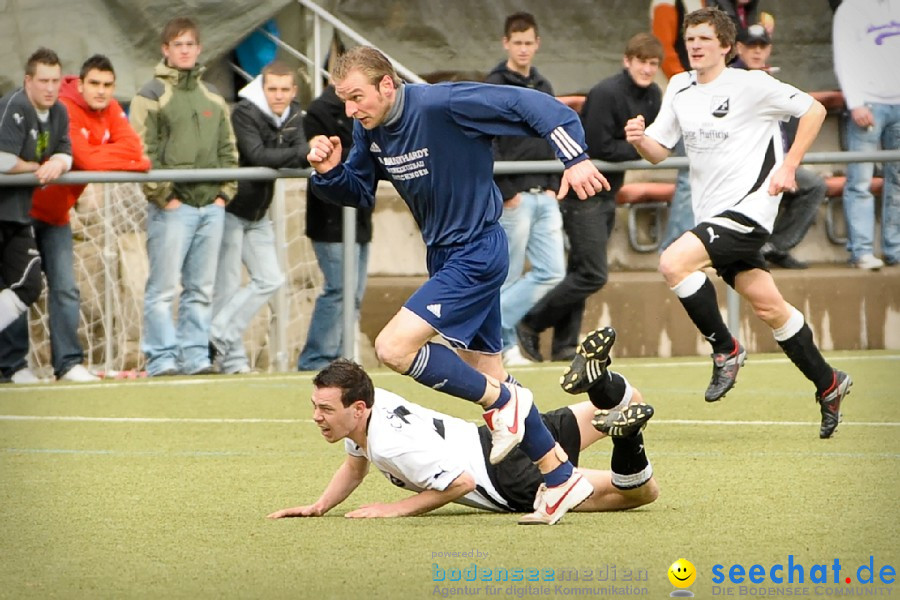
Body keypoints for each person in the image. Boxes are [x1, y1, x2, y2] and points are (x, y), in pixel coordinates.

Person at [306, 46, 611, 523]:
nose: (350, 110)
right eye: (343, 100)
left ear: (387, 85)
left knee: (393, 349)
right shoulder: (369, 127)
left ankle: (507, 403)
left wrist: (574, 159)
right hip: (447, 256)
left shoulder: (442, 103)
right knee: (488, 375)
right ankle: (559, 479)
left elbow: (539, 107)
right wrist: (327, 173)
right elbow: (359, 191)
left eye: (356, 97)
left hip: (477, 252)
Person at [625, 7, 851, 439]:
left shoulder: (752, 83)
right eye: (690, 39)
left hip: (749, 211)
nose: (694, 46)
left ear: (726, 47)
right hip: (711, 216)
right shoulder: (678, 86)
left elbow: (815, 111)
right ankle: (829, 382)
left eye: (705, 39)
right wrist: (639, 140)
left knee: (673, 263)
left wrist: (789, 166)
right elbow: (659, 151)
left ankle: (725, 349)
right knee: (770, 307)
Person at [266, 332, 658, 522]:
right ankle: (599, 382)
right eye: (316, 407)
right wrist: (319, 506)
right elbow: (354, 465)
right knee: (631, 397)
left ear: (357, 408)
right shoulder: (372, 404)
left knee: (640, 495)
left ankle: (630, 437)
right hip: (509, 428)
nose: (316, 416)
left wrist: (396, 509)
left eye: (325, 409)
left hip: (508, 477)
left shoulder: (389, 445)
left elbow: (463, 483)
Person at [0, 54, 151, 384]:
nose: (101, 91)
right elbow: (83, 158)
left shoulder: (101, 111)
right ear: (80, 84)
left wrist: (85, 159)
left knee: (65, 288)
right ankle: (13, 366)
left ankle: (67, 363)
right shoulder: (43, 108)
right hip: (18, 214)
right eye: (94, 83)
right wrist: (105, 159)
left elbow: (132, 153)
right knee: (19, 288)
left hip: (55, 215)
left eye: (108, 85)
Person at [517, 33, 663, 365]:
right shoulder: (606, 93)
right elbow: (597, 148)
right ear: (627, 61)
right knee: (592, 274)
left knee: (580, 269)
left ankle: (564, 345)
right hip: (583, 193)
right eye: (641, 61)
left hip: (608, 192)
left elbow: (654, 138)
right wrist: (639, 147)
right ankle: (530, 323)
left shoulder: (654, 95)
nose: (647, 69)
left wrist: (641, 144)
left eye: (653, 64)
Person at [130, 17, 239, 376]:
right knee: (162, 289)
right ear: (165, 50)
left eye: (190, 44)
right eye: (178, 45)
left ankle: (196, 358)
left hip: (211, 207)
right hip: (172, 209)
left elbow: (228, 148)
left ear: (199, 48)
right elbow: (141, 150)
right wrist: (164, 196)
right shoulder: (150, 96)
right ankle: (162, 358)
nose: (185, 50)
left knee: (201, 289)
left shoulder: (212, 97)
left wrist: (223, 194)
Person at [210, 61, 308, 374]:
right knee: (225, 286)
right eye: (272, 89)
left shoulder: (294, 113)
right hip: (230, 208)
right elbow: (258, 156)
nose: (278, 96)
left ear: (293, 91)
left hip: (258, 213)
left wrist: (299, 151)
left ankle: (219, 335)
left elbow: (297, 148)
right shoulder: (244, 112)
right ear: (263, 89)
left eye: (284, 90)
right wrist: (301, 152)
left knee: (271, 278)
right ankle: (231, 359)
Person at [484, 12, 565, 366]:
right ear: (506, 44)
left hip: (544, 194)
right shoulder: (494, 84)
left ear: (537, 44)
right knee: (508, 275)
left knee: (553, 271)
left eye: (528, 42)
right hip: (512, 198)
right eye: (517, 42)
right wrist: (507, 191)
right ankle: (504, 347)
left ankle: (489, 326)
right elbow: (487, 140)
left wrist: (553, 183)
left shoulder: (544, 85)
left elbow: (553, 133)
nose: (523, 49)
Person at [0, 48, 72, 382]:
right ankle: (13, 365)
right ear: (28, 81)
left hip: (16, 214)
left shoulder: (59, 111)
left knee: (28, 284)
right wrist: (36, 167)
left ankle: (14, 365)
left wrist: (59, 161)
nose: (50, 87)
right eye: (43, 80)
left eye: (56, 80)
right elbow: (2, 161)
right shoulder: (14, 106)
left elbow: (65, 149)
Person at [733, 25, 827, 270]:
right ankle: (747, 251)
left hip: (774, 163)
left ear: (769, 49)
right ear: (738, 48)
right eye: (750, 46)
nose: (756, 52)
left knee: (813, 185)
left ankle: (774, 247)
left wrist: (788, 164)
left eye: (761, 46)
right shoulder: (730, 79)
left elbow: (804, 114)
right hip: (740, 166)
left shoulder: (769, 79)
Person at [297, 83, 373, 372]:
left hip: (361, 215)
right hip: (329, 217)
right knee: (339, 289)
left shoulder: (372, 110)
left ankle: (340, 360)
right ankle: (316, 359)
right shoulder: (319, 110)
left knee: (353, 293)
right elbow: (331, 154)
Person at [832, 0, 900, 270]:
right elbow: (843, 57)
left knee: (898, 183)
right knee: (860, 180)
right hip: (869, 104)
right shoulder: (850, 8)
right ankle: (861, 251)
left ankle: (895, 248)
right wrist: (855, 101)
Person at [650, 0, 701, 251]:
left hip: (695, 96)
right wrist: (693, 87)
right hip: (680, 98)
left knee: (696, 174)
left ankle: (686, 246)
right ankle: (673, 246)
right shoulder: (666, 4)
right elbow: (665, 54)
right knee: (688, 175)